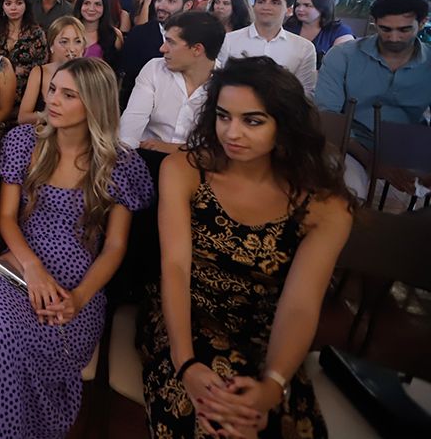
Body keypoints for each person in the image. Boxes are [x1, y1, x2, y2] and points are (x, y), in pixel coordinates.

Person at [139, 56, 352, 439]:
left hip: (267, 329)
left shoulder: (324, 206)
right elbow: (175, 267)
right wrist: (185, 362)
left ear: (284, 126)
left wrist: (273, 383)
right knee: (213, 419)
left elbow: (301, 304)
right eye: (223, 116)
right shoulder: (186, 170)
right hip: (185, 313)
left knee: (274, 421)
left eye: (252, 121)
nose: (232, 132)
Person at [0, 58, 153, 439]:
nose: (53, 101)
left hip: (80, 282)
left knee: (33, 354)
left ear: (95, 103)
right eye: (52, 90)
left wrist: (78, 297)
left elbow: (114, 246)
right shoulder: (23, 141)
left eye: (68, 94)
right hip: (18, 267)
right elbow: (7, 219)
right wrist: (34, 271)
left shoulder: (120, 163)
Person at [315, 0, 431, 201]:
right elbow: (328, 118)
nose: (394, 38)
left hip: (410, 141)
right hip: (352, 140)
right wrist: (372, 161)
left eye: (405, 30)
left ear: (422, 23)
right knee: (348, 193)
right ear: (374, 23)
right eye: (385, 29)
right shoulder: (343, 56)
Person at [120, 11, 223, 154]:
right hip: (147, 157)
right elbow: (131, 125)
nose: (162, 49)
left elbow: (222, 146)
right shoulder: (154, 69)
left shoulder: (227, 84)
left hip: (199, 164)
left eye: (171, 42)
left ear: (197, 49)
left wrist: (176, 150)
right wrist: (124, 160)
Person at [219, 0, 317, 95]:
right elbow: (219, 82)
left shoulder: (304, 48)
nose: (266, 7)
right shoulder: (229, 40)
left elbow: (305, 93)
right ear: (253, 6)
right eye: (261, 2)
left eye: (275, 3)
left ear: (289, 10)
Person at [117, 0, 195, 107]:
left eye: (170, 1)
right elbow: (128, 81)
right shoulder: (139, 34)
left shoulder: (197, 36)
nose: (161, 6)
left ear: (187, 5)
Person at [16, 16, 86, 125]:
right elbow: (23, 117)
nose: (72, 48)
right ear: (52, 46)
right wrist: (50, 116)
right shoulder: (39, 73)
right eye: (64, 42)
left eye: (77, 41)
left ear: (84, 46)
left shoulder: (91, 76)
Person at [0, 0, 48, 105]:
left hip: (27, 93)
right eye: (8, 3)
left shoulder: (36, 33)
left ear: (26, 5)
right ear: (2, 6)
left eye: (18, 3)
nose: (13, 8)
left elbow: (42, 66)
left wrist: (23, 71)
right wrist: (12, 69)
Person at [284, 0, 354, 66]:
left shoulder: (339, 31)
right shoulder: (289, 27)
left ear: (322, 7)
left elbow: (342, 65)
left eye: (307, 5)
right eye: (297, 5)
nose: (300, 9)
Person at [74, 0, 123, 67]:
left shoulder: (114, 35)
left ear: (105, 7)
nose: (91, 8)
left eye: (97, 4)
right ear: (80, 5)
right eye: (86, 3)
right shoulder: (67, 31)